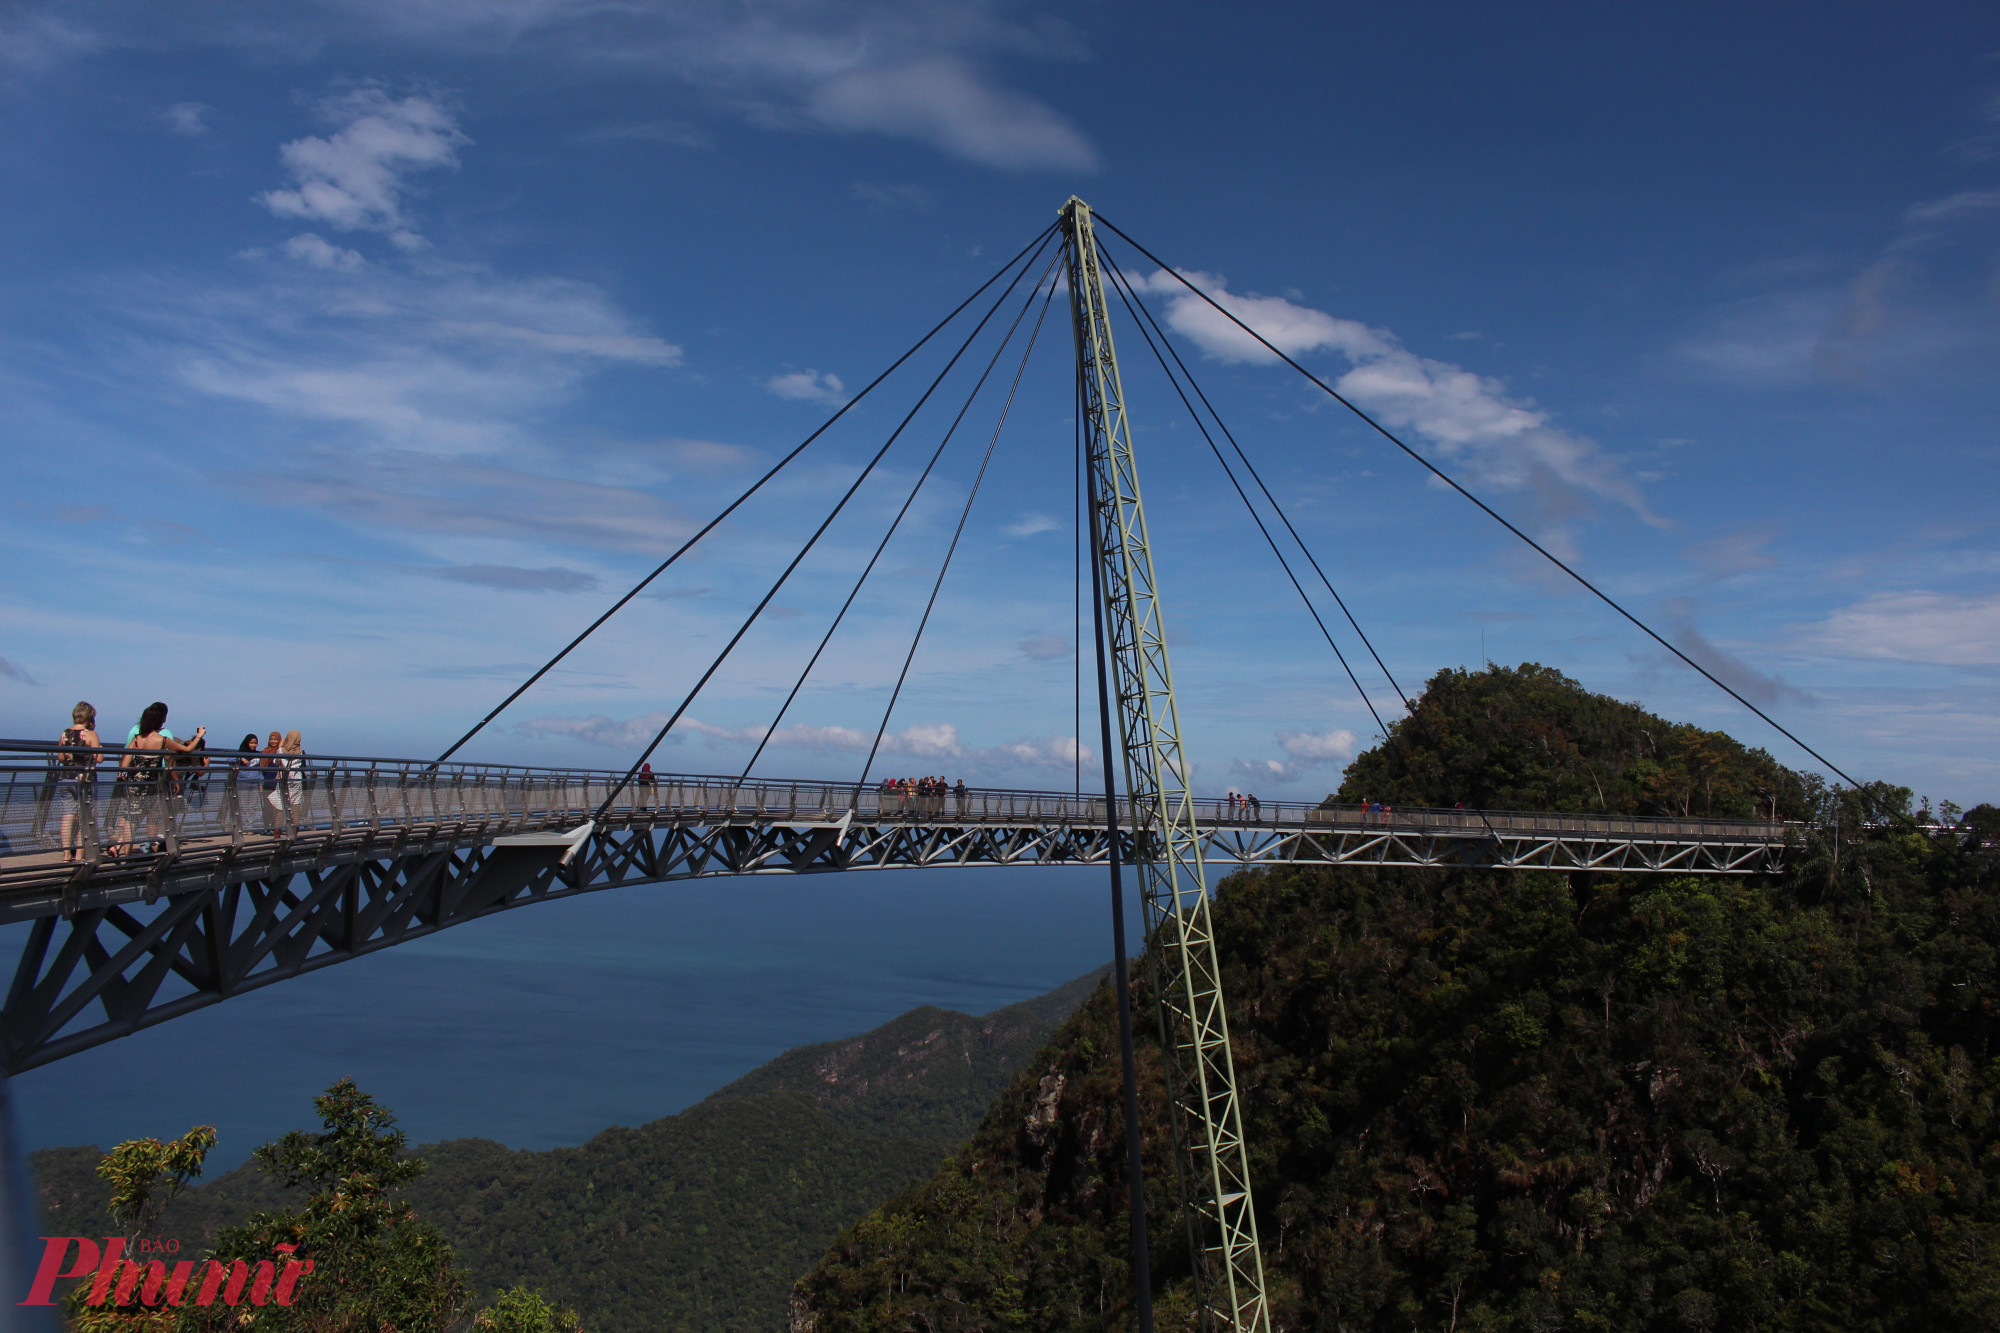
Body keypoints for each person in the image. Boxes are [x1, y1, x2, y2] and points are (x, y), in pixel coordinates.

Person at [112, 703, 205, 856]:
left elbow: (125, 764)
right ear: (160, 722)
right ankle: (151, 847)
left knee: (131, 820)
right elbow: (187, 749)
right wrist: (199, 736)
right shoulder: (162, 740)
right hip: (153, 784)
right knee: (154, 818)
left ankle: (125, 854)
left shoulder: (136, 740)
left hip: (136, 783)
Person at [53, 701, 102, 863]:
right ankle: (80, 854)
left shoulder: (65, 733)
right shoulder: (90, 734)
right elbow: (99, 758)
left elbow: (60, 757)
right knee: (84, 816)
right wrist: (99, 748)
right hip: (84, 779)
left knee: (68, 815)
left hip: (66, 777)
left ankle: (67, 854)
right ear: (89, 718)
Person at [267, 730, 306, 836]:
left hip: (284, 780)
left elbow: (275, 762)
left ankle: (277, 833)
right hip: (296, 780)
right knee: (295, 808)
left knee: (281, 807)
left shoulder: (281, 751)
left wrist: (282, 743)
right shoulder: (301, 752)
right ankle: (293, 833)